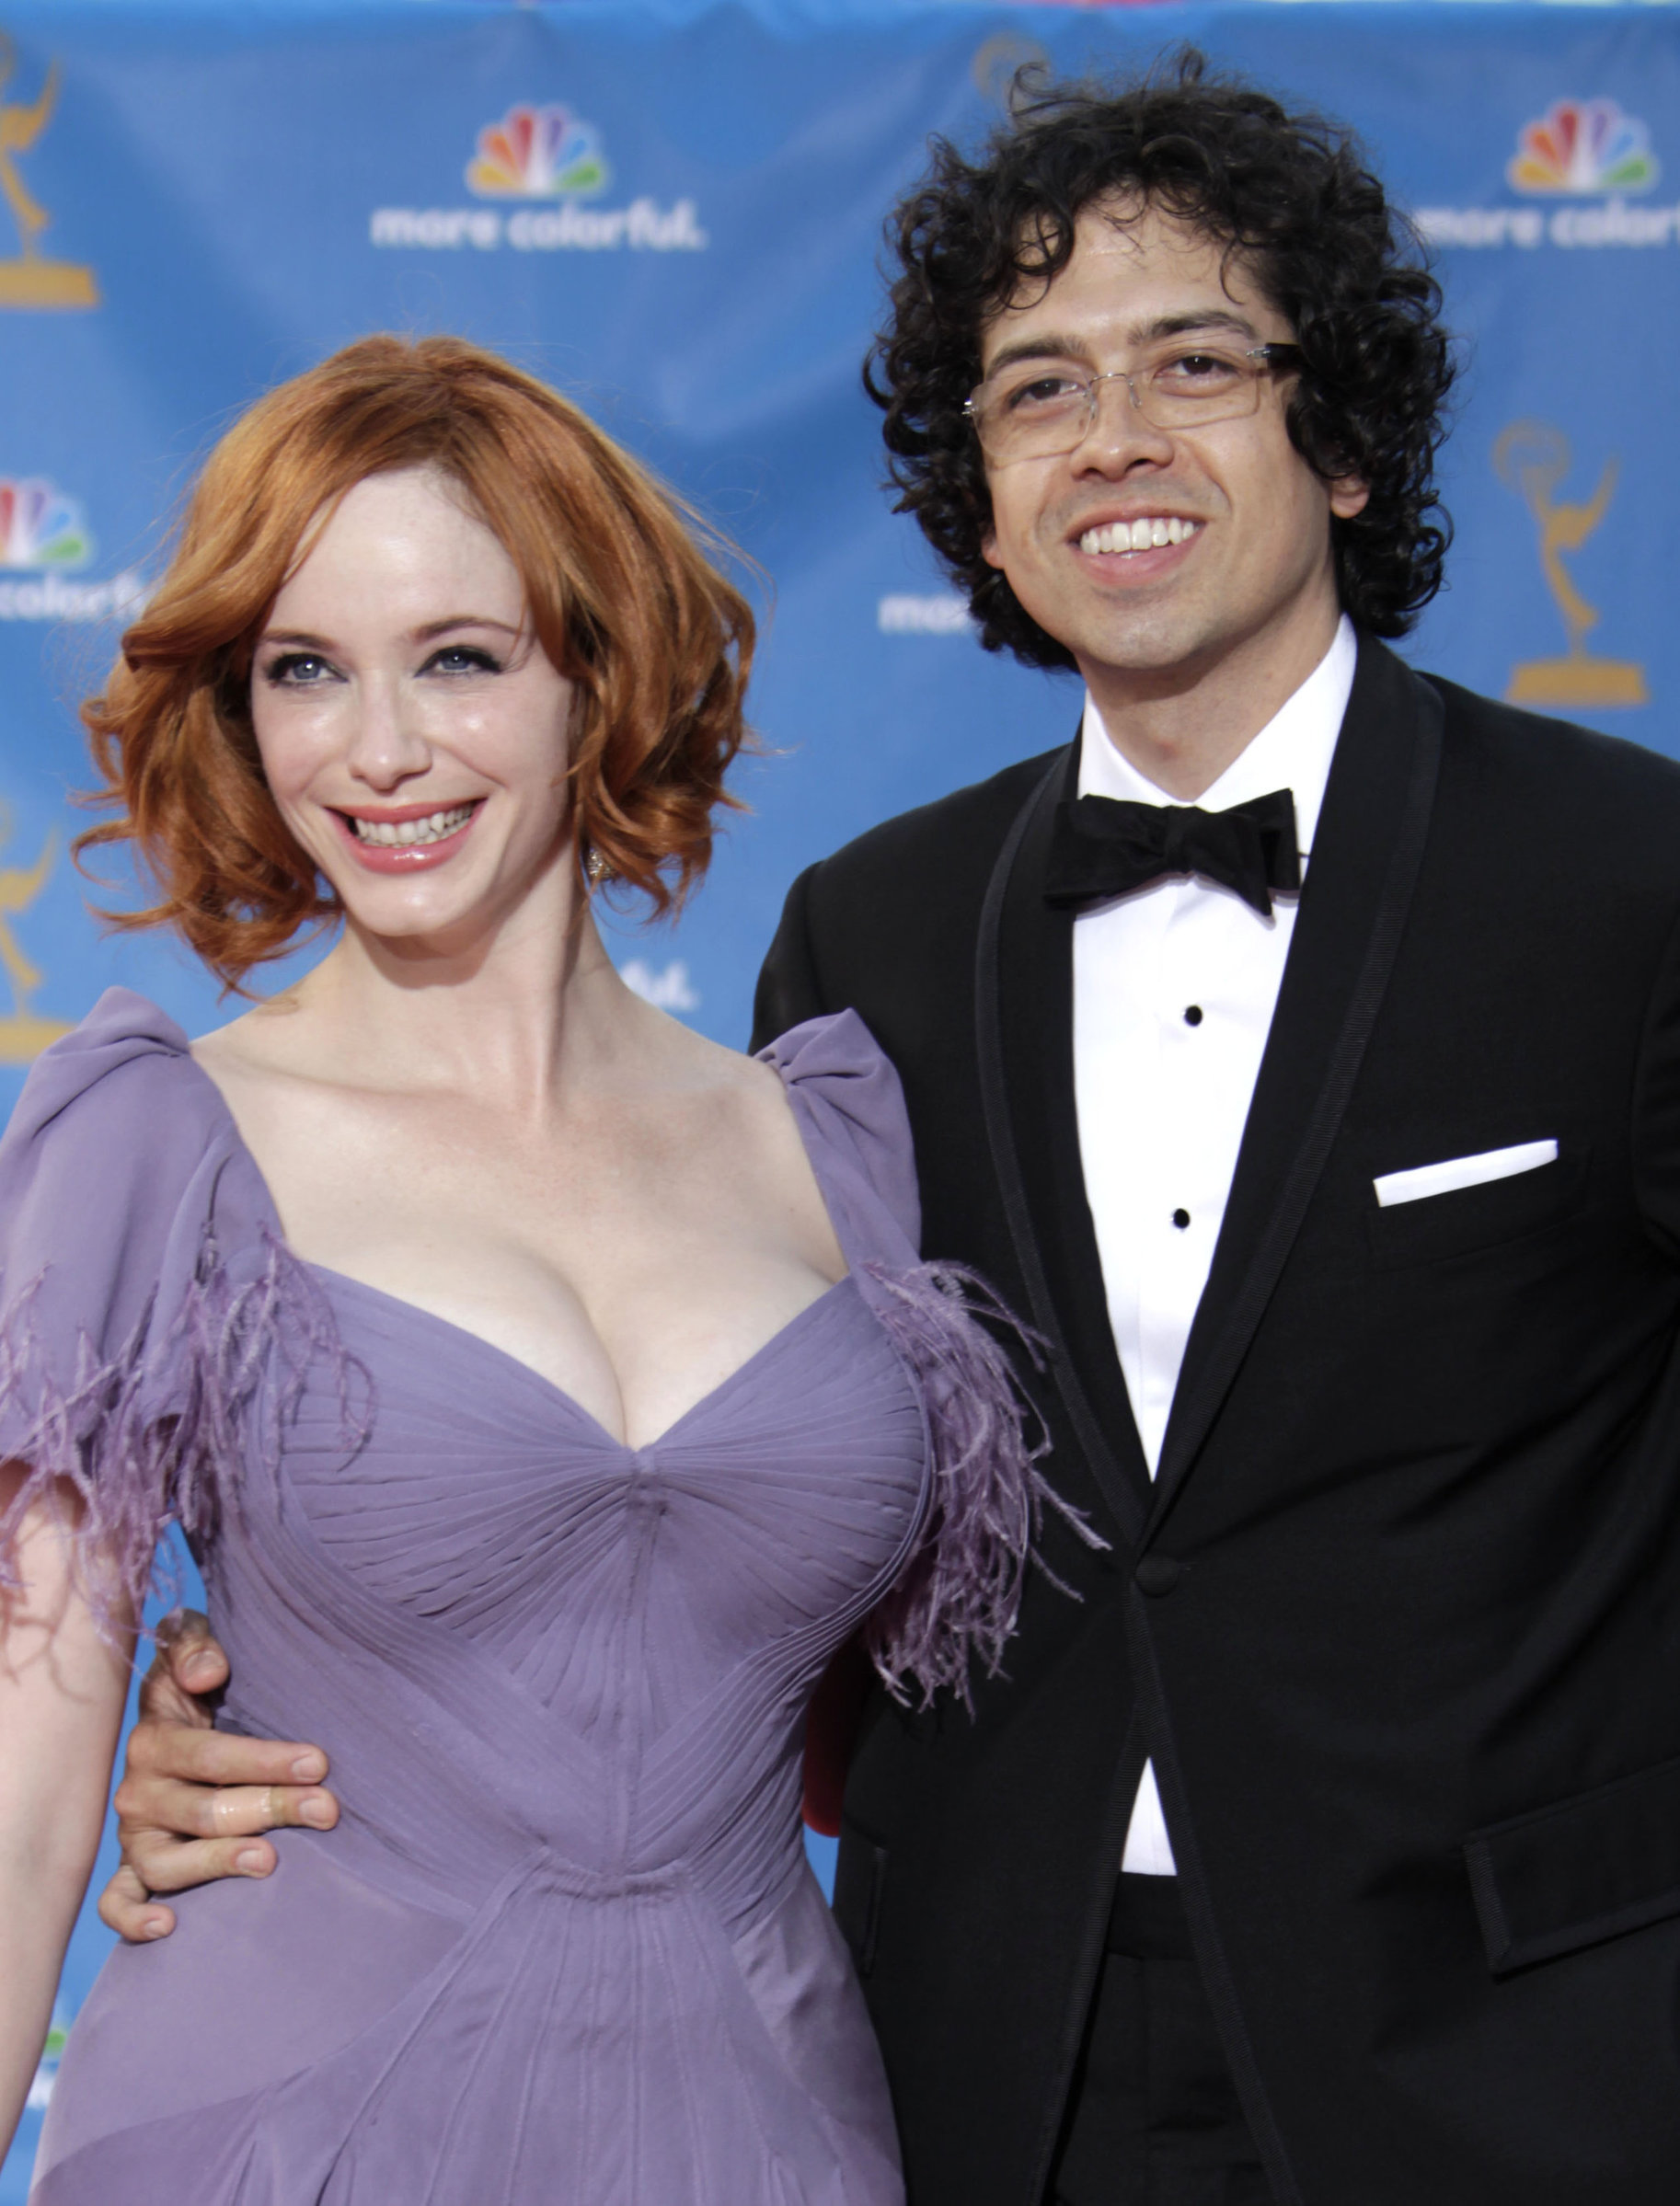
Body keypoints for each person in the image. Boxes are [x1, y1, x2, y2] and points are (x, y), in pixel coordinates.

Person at [100, 50, 1680, 2205]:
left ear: (1335, 425)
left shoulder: (1625, 882)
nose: (1110, 437)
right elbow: (749, 1499)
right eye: (1035, 388)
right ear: (979, 486)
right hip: (962, 2061)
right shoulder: (876, 938)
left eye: (1190, 359)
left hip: (1503, 2058)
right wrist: (290, 1702)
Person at [0, 332, 1057, 2204]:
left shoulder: (828, 1131)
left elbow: (855, 1703)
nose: (376, 747)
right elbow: (18, 1791)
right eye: (303, 669)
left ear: (599, 676)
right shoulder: (161, 1137)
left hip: (769, 2131)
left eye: (459, 659)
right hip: (288, 2126)